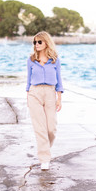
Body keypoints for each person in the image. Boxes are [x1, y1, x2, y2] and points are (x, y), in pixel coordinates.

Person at [26, 31, 64, 171]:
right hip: (34, 93)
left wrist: (59, 98)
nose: (36, 44)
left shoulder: (55, 60)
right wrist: (28, 96)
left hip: (50, 93)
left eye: (39, 42)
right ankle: (44, 159)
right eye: (35, 42)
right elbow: (28, 79)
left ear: (46, 42)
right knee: (40, 128)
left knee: (51, 128)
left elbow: (59, 80)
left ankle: (45, 149)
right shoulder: (31, 60)